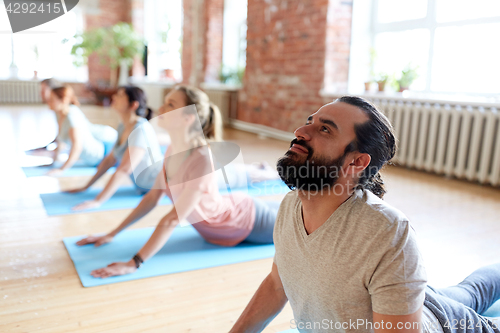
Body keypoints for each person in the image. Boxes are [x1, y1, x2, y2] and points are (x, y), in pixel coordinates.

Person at [229, 96, 500, 333]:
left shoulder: (387, 232)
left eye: (324, 129)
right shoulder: (291, 205)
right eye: (309, 122)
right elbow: (278, 284)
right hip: (405, 299)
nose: (301, 131)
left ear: (357, 161)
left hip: (442, 323)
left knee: (474, 301)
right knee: (472, 291)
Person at [76, 85, 280, 278]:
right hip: (234, 208)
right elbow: (152, 197)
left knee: (306, 223)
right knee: (290, 208)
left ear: (187, 118)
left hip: (245, 221)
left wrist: (134, 263)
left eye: (171, 105)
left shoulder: (202, 158)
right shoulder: (173, 150)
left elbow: (173, 219)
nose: (161, 108)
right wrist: (112, 234)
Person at [67, 86, 164, 211]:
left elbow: (124, 169)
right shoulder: (123, 126)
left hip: (157, 184)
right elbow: (110, 160)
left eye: (120, 96)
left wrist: (98, 201)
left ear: (133, 105)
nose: (114, 97)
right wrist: (86, 187)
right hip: (142, 187)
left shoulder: (140, 130)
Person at [46, 86, 117, 175]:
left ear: (63, 100)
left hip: (101, 155)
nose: (48, 102)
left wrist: (62, 170)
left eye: (52, 99)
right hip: (99, 147)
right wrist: (54, 163)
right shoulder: (59, 114)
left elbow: (77, 146)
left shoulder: (71, 117)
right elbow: (60, 141)